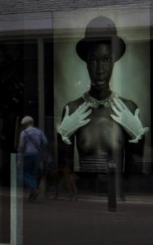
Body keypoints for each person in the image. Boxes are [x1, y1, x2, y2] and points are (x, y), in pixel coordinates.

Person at [57, 16, 148, 177]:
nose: (99, 70)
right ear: (86, 63)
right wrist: (62, 137)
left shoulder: (128, 109)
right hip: (84, 194)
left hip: (115, 195)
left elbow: (135, 172)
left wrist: (138, 141)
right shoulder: (72, 109)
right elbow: (65, 172)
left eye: (106, 60)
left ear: (113, 62)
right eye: (93, 61)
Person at [17, 116, 49, 202]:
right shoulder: (39, 132)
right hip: (37, 155)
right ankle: (32, 193)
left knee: (25, 174)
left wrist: (19, 159)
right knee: (34, 174)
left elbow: (21, 146)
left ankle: (34, 189)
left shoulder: (24, 133)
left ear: (26, 124)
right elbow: (45, 142)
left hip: (27, 156)